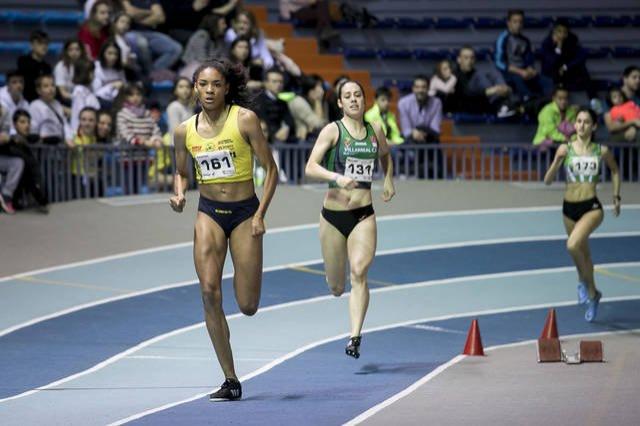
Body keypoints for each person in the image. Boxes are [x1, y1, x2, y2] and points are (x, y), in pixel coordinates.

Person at [169, 58, 278, 401]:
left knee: (247, 305)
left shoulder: (244, 120)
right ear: (195, 88)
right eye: (203, 84)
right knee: (208, 292)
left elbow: (271, 170)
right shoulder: (184, 130)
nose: (210, 90)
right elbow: (182, 171)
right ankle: (230, 379)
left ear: (227, 87)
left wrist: (260, 214)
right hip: (209, 214)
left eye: (216, 84)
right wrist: (178, 190)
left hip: (245, 213)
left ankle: (242, 267)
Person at [305, 80, 395, 358]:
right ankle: (337, 287)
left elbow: (385, 155)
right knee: (336, 286)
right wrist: (337, 177)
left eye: (358, 94)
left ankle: (354, 337)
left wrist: (388, 179)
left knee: (359, 272)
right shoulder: (333, 131)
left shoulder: (375, 130)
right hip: (333, 216)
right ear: (340, 103)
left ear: (364, 100)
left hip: (363, 214)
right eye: (348, 96)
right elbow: (310, 167)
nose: (354, 99)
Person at [543, 108, 621, 322]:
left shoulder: (601, 151)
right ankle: (594, 294)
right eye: (578, 121)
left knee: (572, 245)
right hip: (569, 209)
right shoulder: (565, 149)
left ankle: (581, 283)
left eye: (587, 122)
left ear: (594, 126)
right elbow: (547, 180)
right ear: (574, 125)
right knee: (583, 256)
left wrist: (616, 196)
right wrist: (556, 161)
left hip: (591, 207)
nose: (582, 125)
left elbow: (615, 170)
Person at [495, 9, 550, 101]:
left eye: (520, 22)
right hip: (509, 74)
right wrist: (520, 71)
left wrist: (530, 69)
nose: (518, 25)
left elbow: (529, 60)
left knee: (547, 82)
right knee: (521, 84)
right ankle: (528, 103)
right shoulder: (503, 39)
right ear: (508, 23)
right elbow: (499, 62)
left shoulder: (525, 40)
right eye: (515, 22)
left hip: (524, 73)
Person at [453, 46, 515, 116]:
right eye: (466, 58)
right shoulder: (454, 75)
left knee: (492, 74)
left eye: (472, 58)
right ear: (459, 59)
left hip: (482, 107)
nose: (469, 61)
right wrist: (491, 91)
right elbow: (466, 93)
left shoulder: (477, 73)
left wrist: (503, 89)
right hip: (464, 109)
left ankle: (504, 103)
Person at [29, 75, 74, 146]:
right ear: (38, 90)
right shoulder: (34, 106)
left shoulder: (57, 104)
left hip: (59, 143)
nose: (51, 89)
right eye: (46, 86)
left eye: (52, 85)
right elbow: (33, 130)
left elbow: (64, 124)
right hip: (43, 146)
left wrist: (69, 138)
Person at [288, 74, 328, 141]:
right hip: (300, 142)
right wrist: (318, 101)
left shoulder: (323, 103)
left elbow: (326, 125)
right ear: (308, 89)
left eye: (321, 87)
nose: (320, 91)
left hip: (316, 140)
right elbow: (318, 125)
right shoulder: (298, 101)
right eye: (315, 88)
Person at [17, 30, 52, 102]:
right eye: (40, 43)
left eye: (46, 43)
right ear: (32, 45)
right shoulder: (23, 62)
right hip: (27, 101)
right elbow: (28, 87)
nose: (44, 46)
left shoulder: (47, 67)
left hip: (44, 101)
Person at [53, 39, 86, 106]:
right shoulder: (61, 66)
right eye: (70, 50)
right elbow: (63, 93)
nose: (74, 52)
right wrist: (79, 99)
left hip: (81, 98)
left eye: (77, 49)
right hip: (65, 100)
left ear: (82, 51)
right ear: (66, 52)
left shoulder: (85, 65)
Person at [71, 60, 101, 133]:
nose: (94, 75)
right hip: (81, 134)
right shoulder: (79, 91)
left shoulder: (88, 90)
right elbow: (81, 114)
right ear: (84, 73)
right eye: (91, 72)